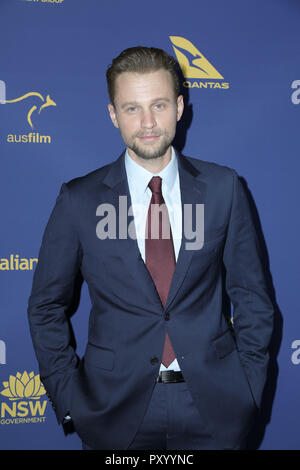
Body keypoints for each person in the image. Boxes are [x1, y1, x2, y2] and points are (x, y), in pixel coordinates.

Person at [27, 46, 274, 450]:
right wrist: (68, 397)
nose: (146, 123)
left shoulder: (223, 189)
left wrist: (247, 390)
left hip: (215, 406)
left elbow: (252, 297)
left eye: (158, 105)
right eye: (131, 109)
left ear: (179, 106)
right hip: (113, 409)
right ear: (113, 114)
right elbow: (45, 306)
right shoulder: (80, 200)